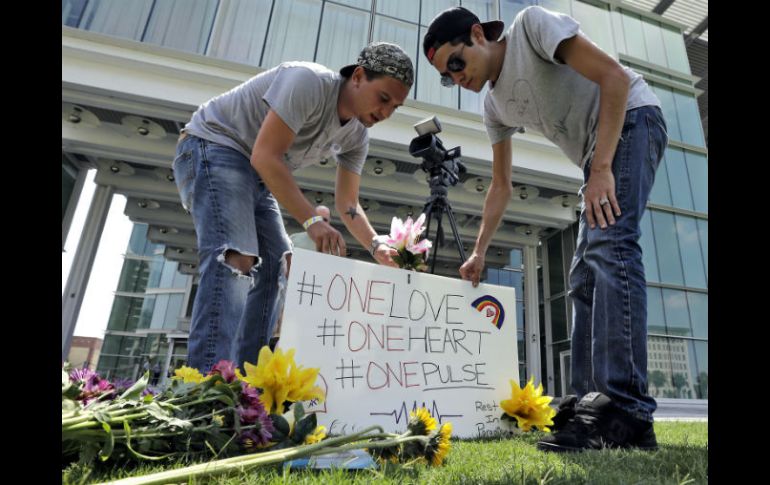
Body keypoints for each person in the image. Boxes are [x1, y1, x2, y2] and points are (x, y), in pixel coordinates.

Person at [423, 6, 668, 452]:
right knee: (582, 280)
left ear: (477, 34)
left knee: (611, 246)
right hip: (597, 153)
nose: (456, 77)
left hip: (632, 118)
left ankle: (627, 410)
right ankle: (589, 404)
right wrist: (479, 251)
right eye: (446, 77)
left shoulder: (531, 27)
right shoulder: (494, 107)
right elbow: (500, 185)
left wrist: (602, 169)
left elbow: (613, 78)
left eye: (456, 63)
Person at [173, 42, 408, 373]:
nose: (385, 113)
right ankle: (206, 380)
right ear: (358, 76)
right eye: (383, 98)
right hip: (213, 145)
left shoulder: (357, 136)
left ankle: (249, 381)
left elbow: (348, 203)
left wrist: (376, 245)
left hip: (256, 175)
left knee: (276, 266)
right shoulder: (308, 82)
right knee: (236, 256)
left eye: (395, 107)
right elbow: (265, 155)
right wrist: (311, 220)